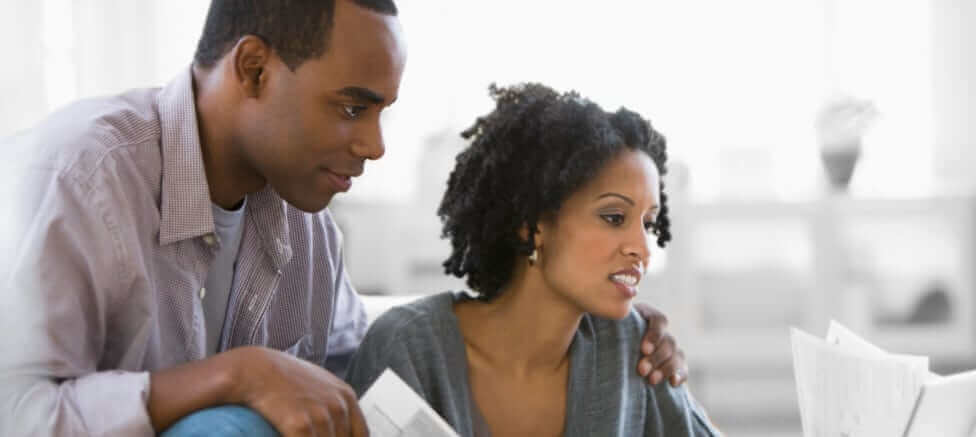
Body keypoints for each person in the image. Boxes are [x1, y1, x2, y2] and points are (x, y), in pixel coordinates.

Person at [0, 1, 690, 436]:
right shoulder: (81, 174)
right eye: (353, 107)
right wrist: (235, 374)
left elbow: (371, 365)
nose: (375, 144)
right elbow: (16, 411)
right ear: (254, 69)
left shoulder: (306, 231)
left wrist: (603, 310)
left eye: (383, 111)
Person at [345, 83, 720, 436]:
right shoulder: (409, 350)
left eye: (648, 223)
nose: (641, 247)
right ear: (532, 226)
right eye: (613, 218)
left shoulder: (632, 349)